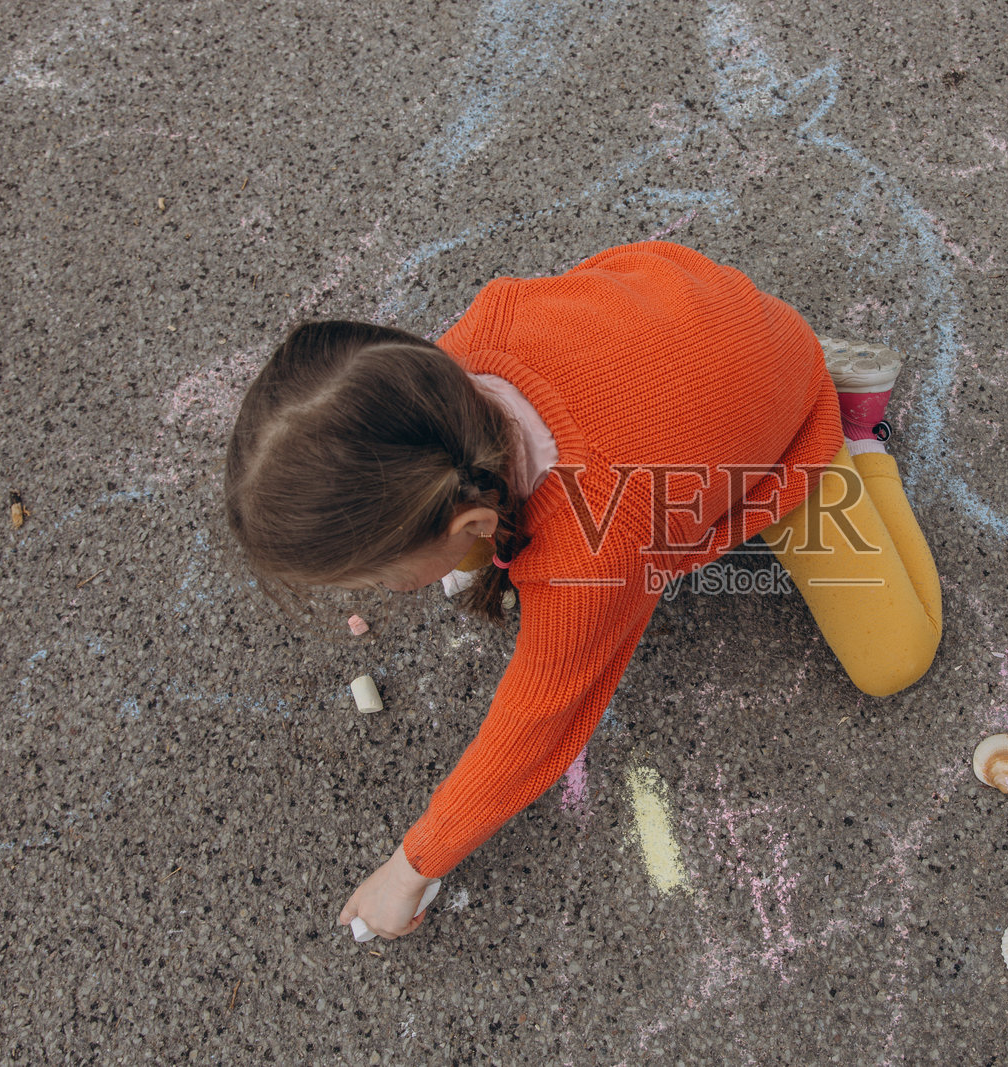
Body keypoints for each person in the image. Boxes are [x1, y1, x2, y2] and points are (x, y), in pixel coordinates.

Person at [224, 241, 942, 939]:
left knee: (893, 659)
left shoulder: (594, 547)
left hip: (785, 418)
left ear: (472, 517)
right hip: (689, 312)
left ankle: (858, 439)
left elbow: (537, 722)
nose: (387, 591)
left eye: (381, 575)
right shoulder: (451, 366)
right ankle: (752, 372)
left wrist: (409, 865)